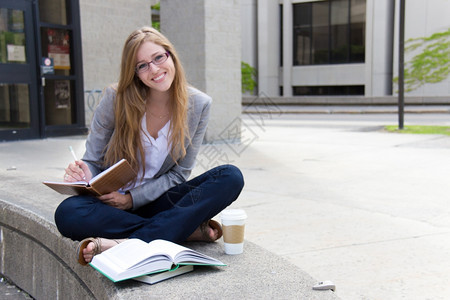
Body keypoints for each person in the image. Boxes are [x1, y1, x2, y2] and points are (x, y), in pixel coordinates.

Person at [54, 26, 244, 265]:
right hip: (111, 206)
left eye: (158, 58)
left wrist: (133, 199)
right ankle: (180, 231)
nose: (154, 70)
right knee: (67, 213)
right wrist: (83, 172)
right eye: (142, 65)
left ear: (170, 55)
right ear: (134, 73)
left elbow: (179, 174)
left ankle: (125, 244)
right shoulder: (115, 99)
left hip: (158, 201)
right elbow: (93, 160)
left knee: (230, 176)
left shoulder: (199, 104)